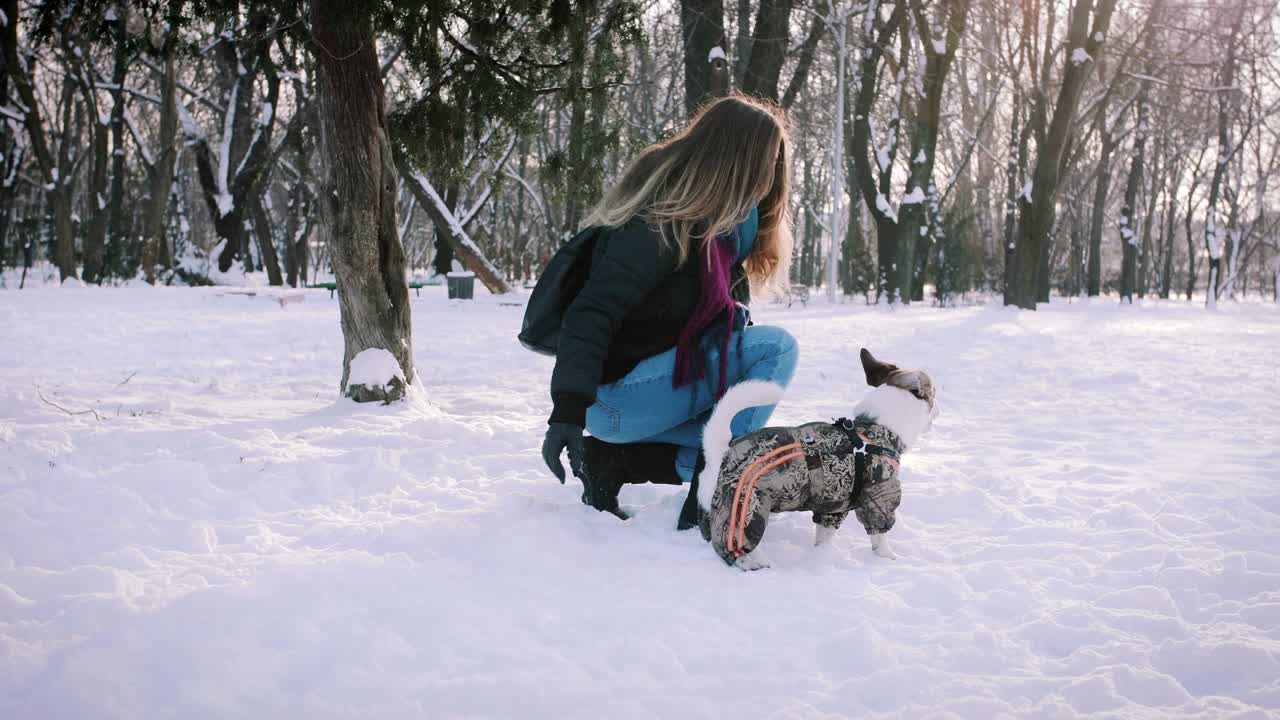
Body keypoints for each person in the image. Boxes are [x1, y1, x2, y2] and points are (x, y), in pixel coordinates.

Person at [540, 94, 799, 529]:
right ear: (739, 159)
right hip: (616, 398)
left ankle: (613, 463)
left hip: (646, 399)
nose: (772, 175)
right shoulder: (659, 224)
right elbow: (592, 312)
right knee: (777, 349)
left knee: (758, 450)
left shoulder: (725, 237)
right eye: (769, 161)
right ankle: (713, 492)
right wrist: (566, 412)